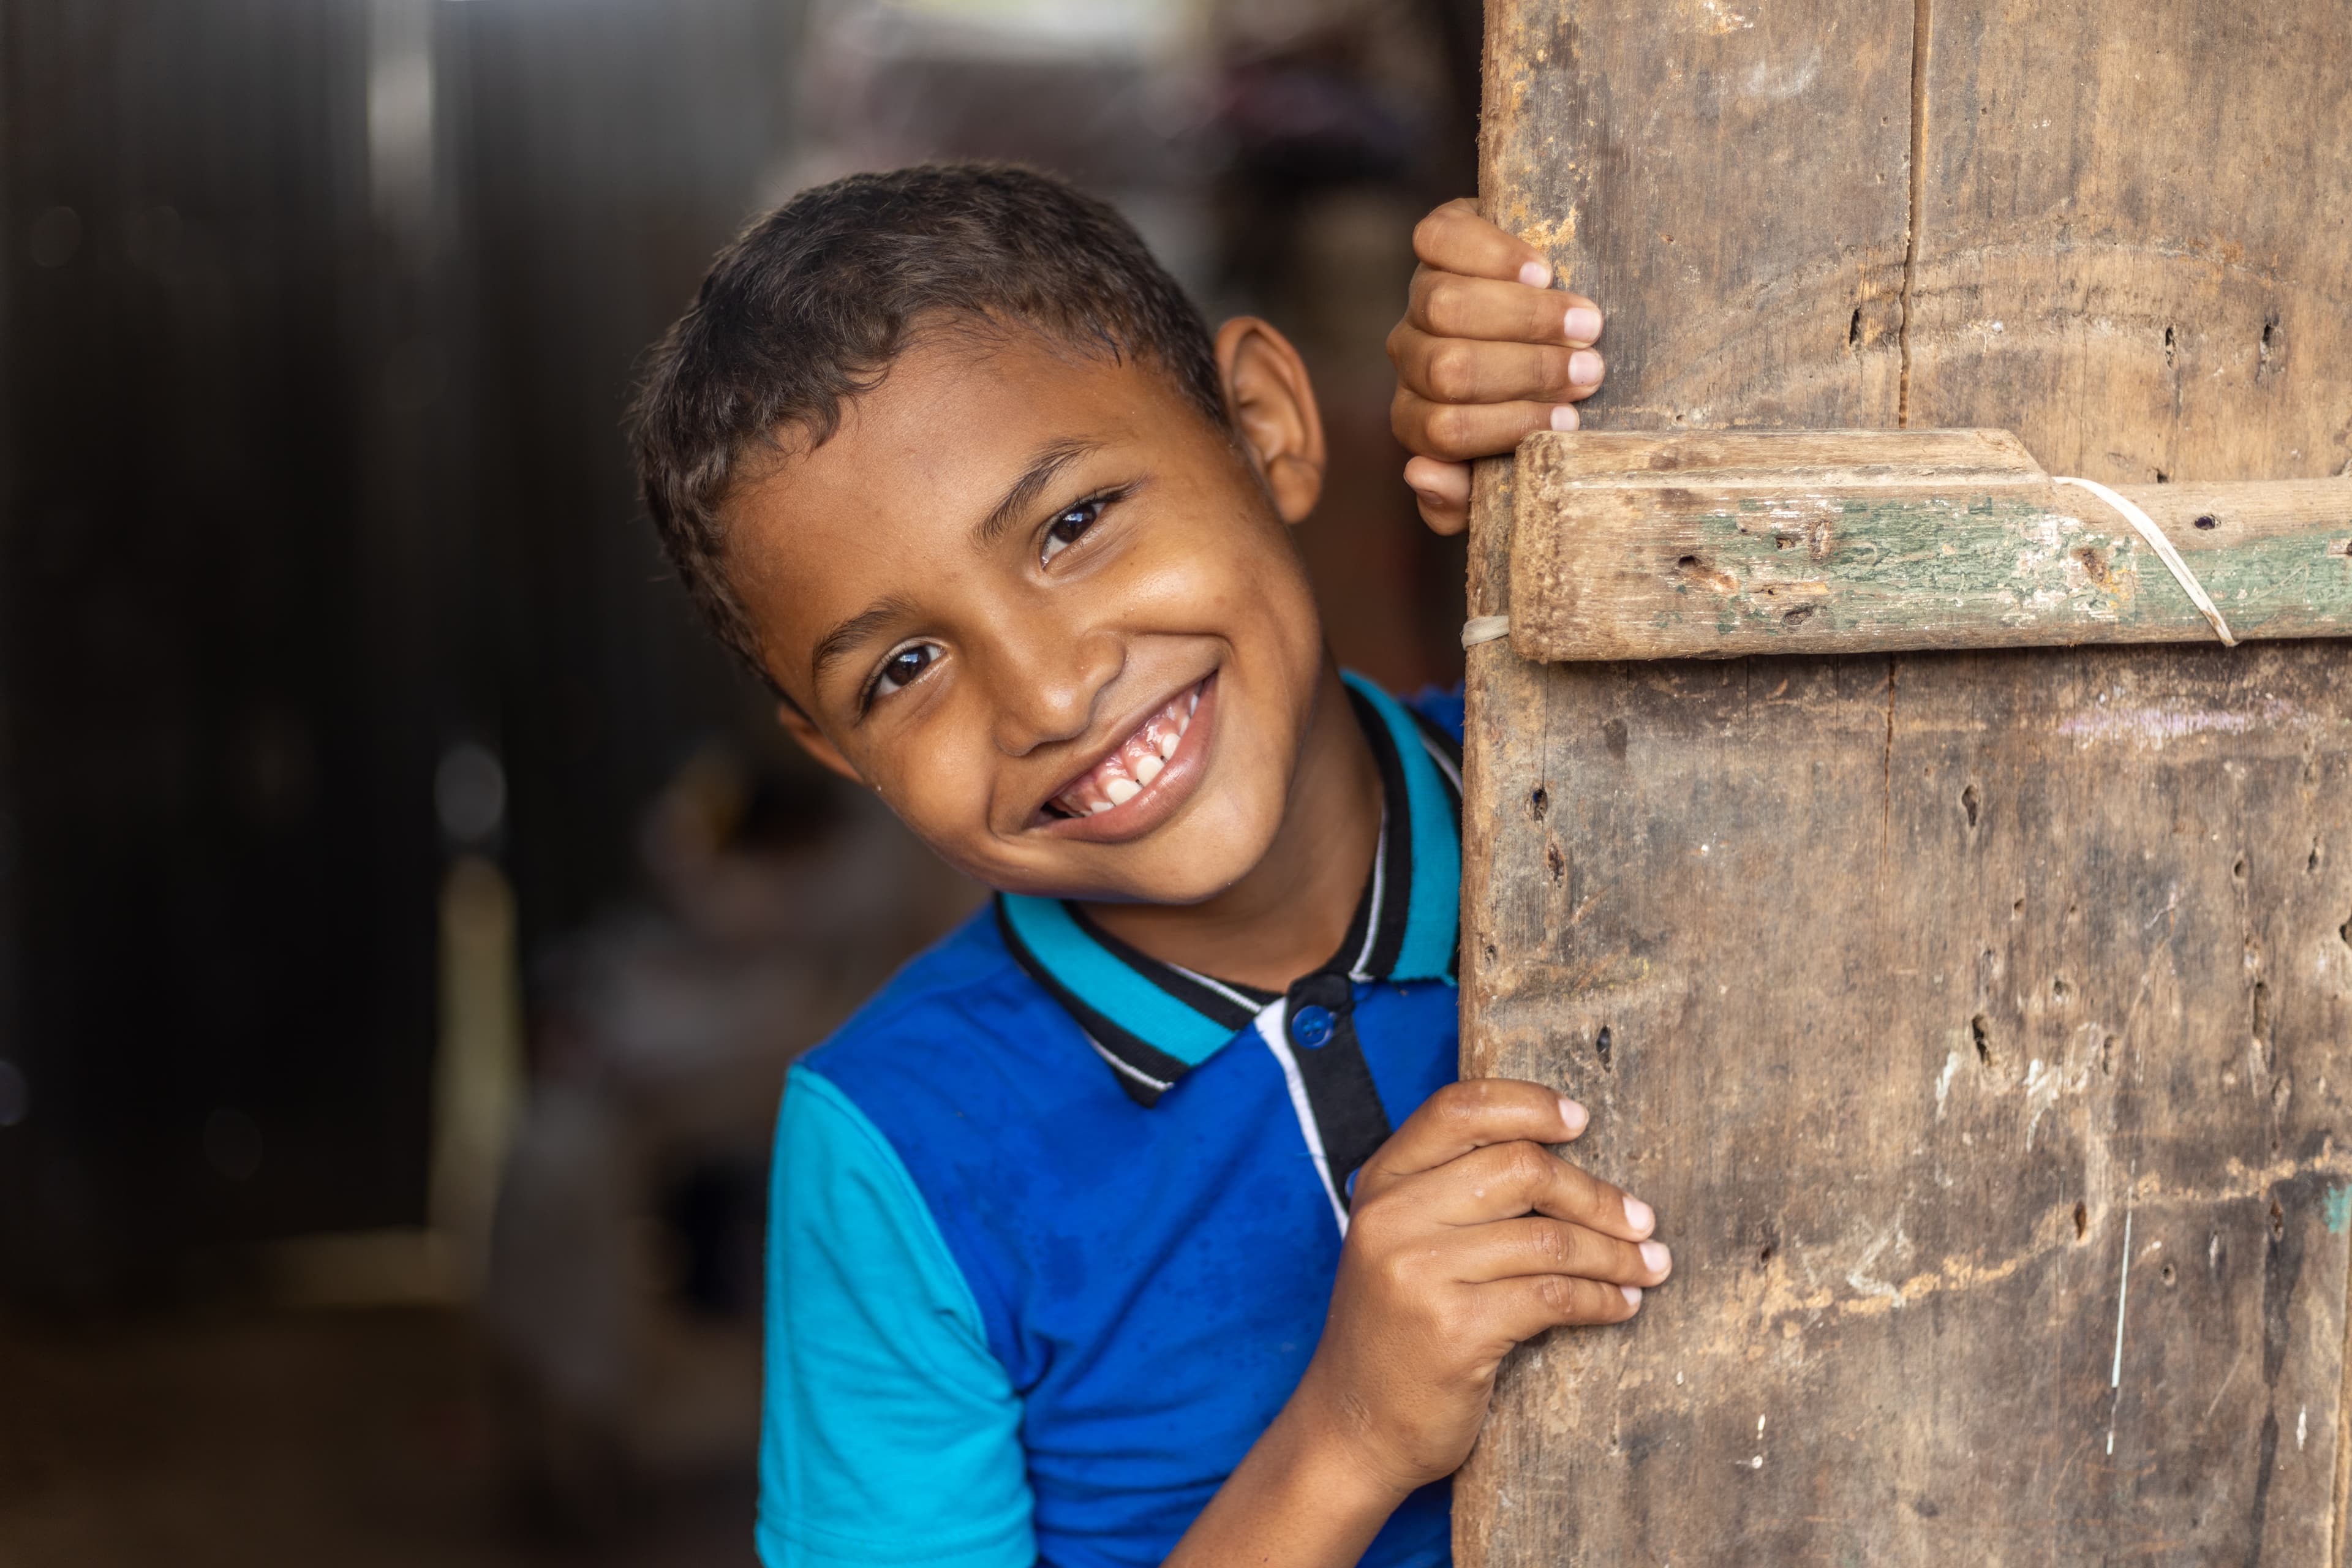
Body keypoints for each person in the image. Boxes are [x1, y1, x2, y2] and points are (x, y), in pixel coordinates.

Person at [631, 164, 1653, 1568]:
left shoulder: (1636, 801)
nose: (1048, 693)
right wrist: (1343, 1435)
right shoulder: (896, 1149)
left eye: (1071, 524)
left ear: (1265, 428)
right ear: (835, 750)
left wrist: (1586, 356)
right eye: (906, 666)